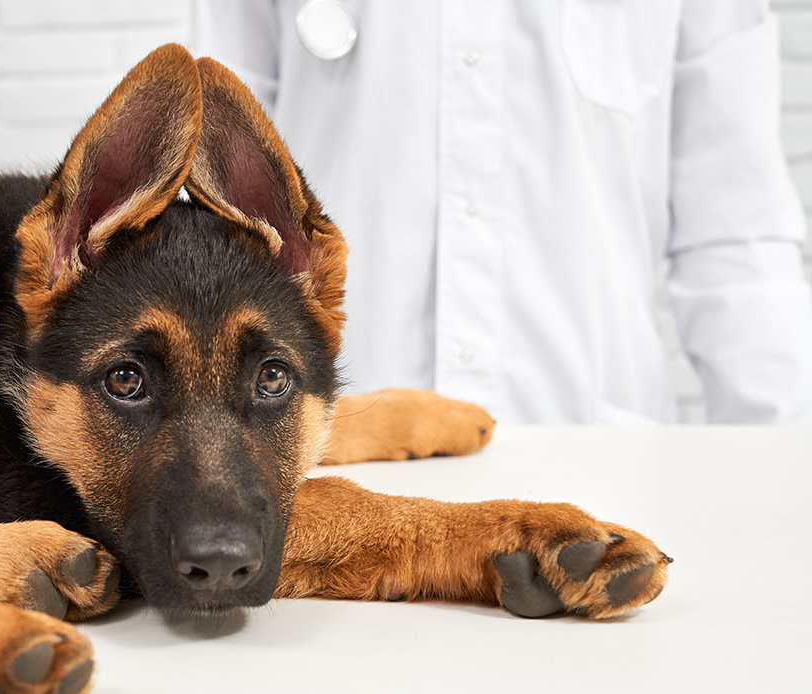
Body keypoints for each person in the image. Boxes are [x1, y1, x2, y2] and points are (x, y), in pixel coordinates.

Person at [191, 0, 812, 424]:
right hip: (349, 449)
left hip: (596, 449)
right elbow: (213, 195)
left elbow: (735, 236)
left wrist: (784, 474)